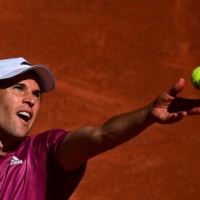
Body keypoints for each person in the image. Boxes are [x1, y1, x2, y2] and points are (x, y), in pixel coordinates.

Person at [0, 57, 200, 200]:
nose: (31, 100)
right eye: (18, 88)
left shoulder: (43, 153)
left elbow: (100, 136)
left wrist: (148, 113)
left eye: (37, 94)